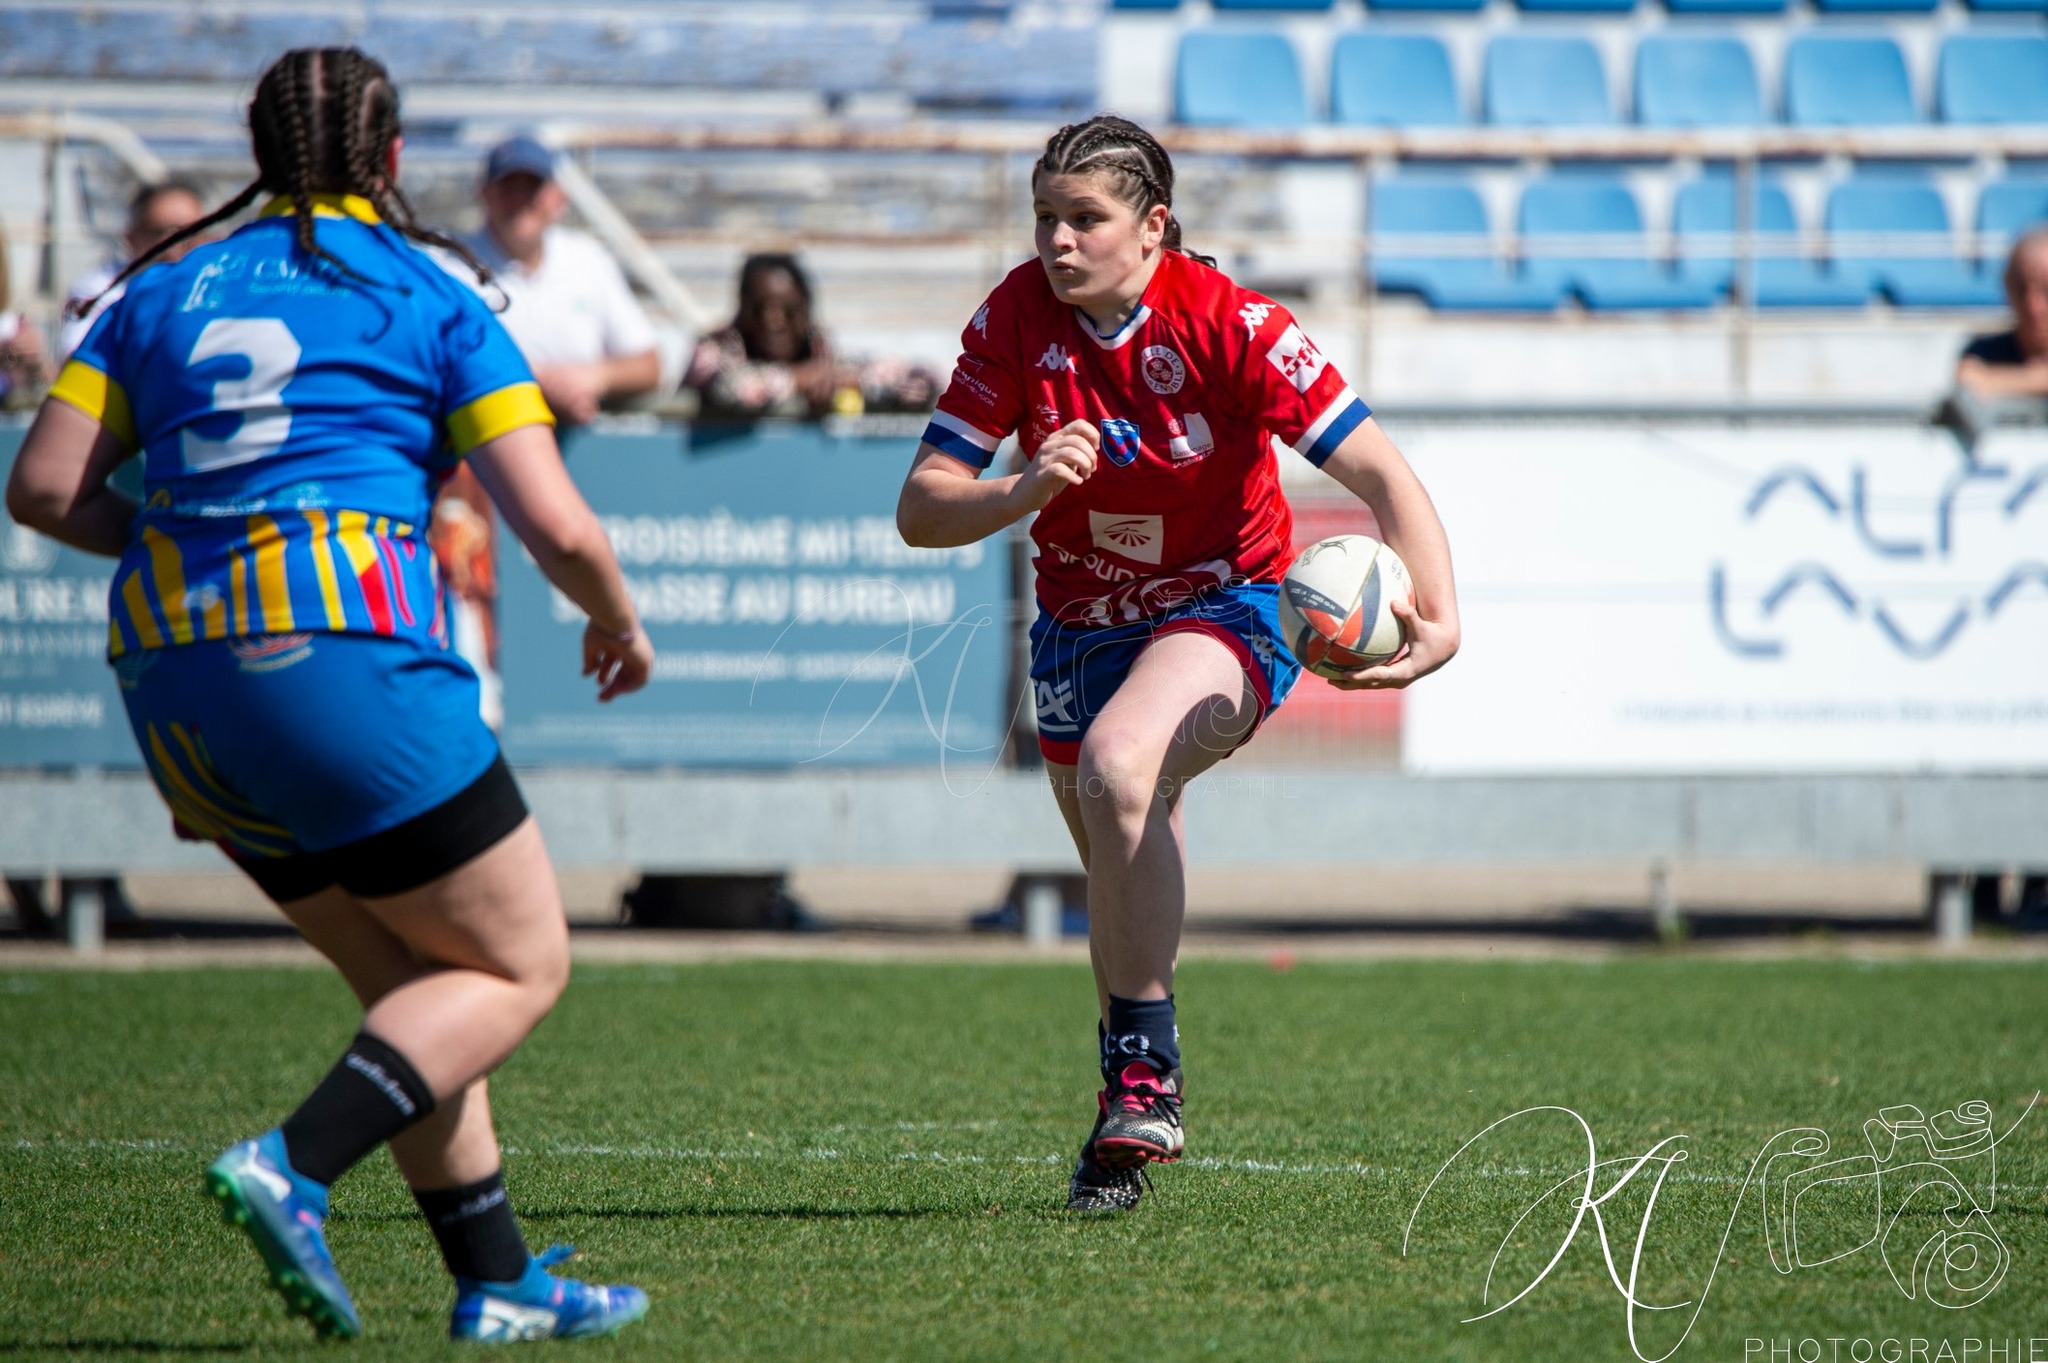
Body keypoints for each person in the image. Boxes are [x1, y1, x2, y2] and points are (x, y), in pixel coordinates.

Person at [6, 47, 654, 1342]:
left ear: (259, 155)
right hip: (339, 657)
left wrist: (199, 548)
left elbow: (40, 487)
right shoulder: (428, 289)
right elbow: (556, 524)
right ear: (393, 158)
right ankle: (292, 1164)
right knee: (519, 962)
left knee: (421, 989)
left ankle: (497, 1278)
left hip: (174, 683)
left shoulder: (160, 286)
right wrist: (618, 620)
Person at [896, 115, 1460, 1213]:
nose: (1058, 241)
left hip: (1230, 602)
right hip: (1078, 624)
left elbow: (1385, 475)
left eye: (1085, 219)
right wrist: (1020, 490)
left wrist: (1440, 620)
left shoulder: (1233, 325)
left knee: (1122, 764)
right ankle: (1127, 1106)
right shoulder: (1013, 318)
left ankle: (1144, 1080)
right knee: (1118, 869)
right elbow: (921, 508)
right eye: (1044, 218)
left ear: (1154, 226)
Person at [455, 136, 660, 427]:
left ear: (558, 197)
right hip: (483, 437)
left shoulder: (588, 258)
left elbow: (648, 364)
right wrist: (538, 382)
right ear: (485, 193)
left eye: (532, 187)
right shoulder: (450, 266)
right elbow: (436, 360)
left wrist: (591, 378)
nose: (520, 199)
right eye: (508, 187)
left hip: (578, 438)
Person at [686, 252, 938, 419]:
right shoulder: (713, 348)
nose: (774, 322)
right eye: (758, 309)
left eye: (789, 311)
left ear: (807, 311)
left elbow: (923, 381)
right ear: (741, 309)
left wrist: (849, 381)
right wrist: (802, 379)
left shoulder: (822, 353)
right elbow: (727, 390)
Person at [61, 180, 211, 357]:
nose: (173, 247)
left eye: (189, 232)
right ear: (131, 238)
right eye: (159, 233)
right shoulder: (99, 290)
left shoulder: (219, 288)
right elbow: (78, 357)